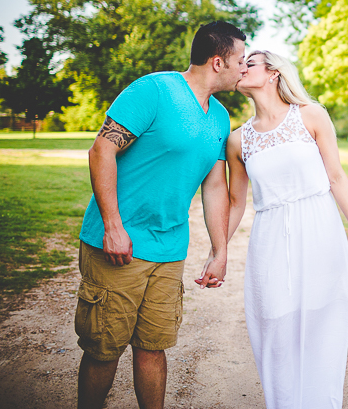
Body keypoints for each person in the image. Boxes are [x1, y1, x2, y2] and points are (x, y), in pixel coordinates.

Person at [75, 21, 247, 409]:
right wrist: (113, 227)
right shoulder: (153, 90)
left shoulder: (219, 118)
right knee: (105, 348)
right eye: (240, 60)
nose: (244, 68)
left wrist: (220, 251)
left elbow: (215, 186)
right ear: (218, 62)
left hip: (169, 251)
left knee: (153, 348)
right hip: (120, 244)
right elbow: (102, 150)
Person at [214, 50, 348, 409]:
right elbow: (236, 203)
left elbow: (336, 176)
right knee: (274, 323)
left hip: (319, 229)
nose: (241, 68)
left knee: (323, 320)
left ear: (273, 73)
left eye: (249, 63)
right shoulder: (239, 140)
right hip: (269, 236)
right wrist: (218, 251)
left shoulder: (311, 115)